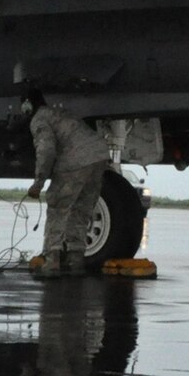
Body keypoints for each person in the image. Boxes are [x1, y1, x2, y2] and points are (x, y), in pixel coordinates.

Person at [27, 96, 110, 277]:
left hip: (76, 160)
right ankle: (75, 260)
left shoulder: (39, 119)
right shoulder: (60, 113)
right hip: (99, 155)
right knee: (81, 209)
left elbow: (46, 149)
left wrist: (38, 182)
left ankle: (52, 262)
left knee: (58, 207)